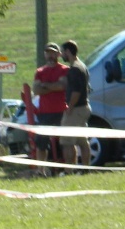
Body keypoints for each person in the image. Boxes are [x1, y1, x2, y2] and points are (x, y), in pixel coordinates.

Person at [31, 42, 69, 176]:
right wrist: (53, 86)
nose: (50, 55)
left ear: (58, 54)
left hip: (61, 111)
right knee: (41, 143)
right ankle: (41, 170)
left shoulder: (64, 69)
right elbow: (36, 89)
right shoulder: (40, 71)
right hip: (45, 113)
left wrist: (45, 86)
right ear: (45, 54)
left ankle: (67, 170)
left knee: (65, 142)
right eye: (48, 53)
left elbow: (62, 86)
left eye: (53, 52)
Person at [60, 39, 91, 167]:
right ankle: (85, 168)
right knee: (83, 141)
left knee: (67, 141)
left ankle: (69, 170)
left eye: (62, 52)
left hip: (76, 109)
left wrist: (69, 107)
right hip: (85, 107)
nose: (62, 55)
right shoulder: (82, 66)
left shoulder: (74, 69)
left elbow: (76, 92)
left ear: (68, 51)